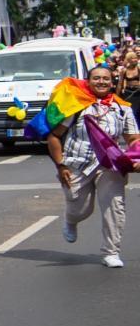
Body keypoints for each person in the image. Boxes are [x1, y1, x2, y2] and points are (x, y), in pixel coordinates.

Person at [48, 64, 138, 268]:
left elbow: (133, 138)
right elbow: (54, 136)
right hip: (76, 164)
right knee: (80, 209)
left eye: (106, 78)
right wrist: (60, 166)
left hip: (110, 166)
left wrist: (134, 155)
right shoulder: (76, 105)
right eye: (96, 78)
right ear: (88, 81)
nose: (101, 82)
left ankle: (111, 252)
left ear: (112, 81)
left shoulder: (123, 108)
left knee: (115, 207)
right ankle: (71, 221)